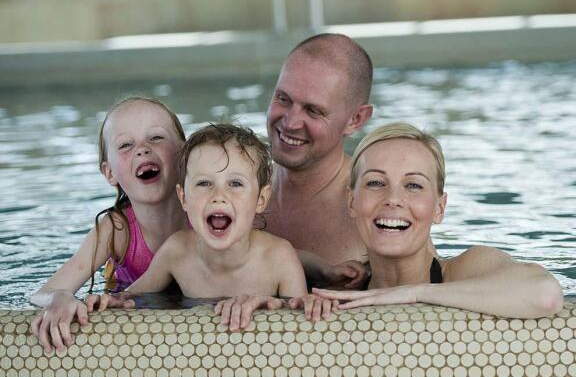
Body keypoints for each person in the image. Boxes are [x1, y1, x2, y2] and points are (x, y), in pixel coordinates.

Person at [86, 124, 337, 331]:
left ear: (261, 199)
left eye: (235, 184)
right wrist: (105, 302)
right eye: (204, 183)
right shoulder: (177, 252)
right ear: (184, 198)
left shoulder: (278, 258)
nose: (219, 195)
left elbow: (303, 321)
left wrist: (272, 305)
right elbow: (130, 298)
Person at [314, 123, 564, 318]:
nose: (393, 199)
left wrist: (414, 293)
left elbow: (545, 294)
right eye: (376, 183)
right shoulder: (340, 296)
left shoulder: (465, 271)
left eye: (413, 185)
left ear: (439, 208)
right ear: (351, 202)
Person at [30, 97, 189, 352]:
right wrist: (60, 297)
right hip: (127, 313)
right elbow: (42, 293)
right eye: (126, 145)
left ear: (184, 153)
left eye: (156, 138)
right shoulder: (117, 230)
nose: (142, 149)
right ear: (109, 172)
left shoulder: (208, 219)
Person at [264, 33, 374, 287]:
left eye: (313, 111)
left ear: (355, 119)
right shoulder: (230, 186)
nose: (290, 122)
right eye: (283, 99)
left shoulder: (375, 208)